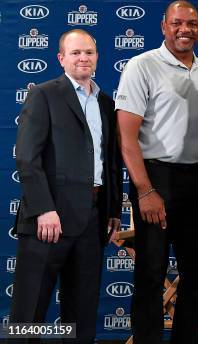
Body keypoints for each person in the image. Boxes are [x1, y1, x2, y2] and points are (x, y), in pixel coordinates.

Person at [115, 0, 198, 344]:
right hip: (155, 178)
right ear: (164, 26)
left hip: (196, 181)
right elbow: (126, 135)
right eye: (177, 23)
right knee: (151, 272)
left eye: (192, 24)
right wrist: (145, 190)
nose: (185, 30)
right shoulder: (141, 66)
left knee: (197, 273)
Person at [10, 29, 122, 343]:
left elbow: (110, 162)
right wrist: (45, 209)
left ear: (97, 57)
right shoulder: (44, 94)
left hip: (93, 219)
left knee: (81, 314)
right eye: (75, 53)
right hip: (48, 220)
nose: (83, 58)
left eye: (88, 52)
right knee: (28, 312)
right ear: (61, 59)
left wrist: (112, 211)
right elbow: (28, 158)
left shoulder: (106, 103)